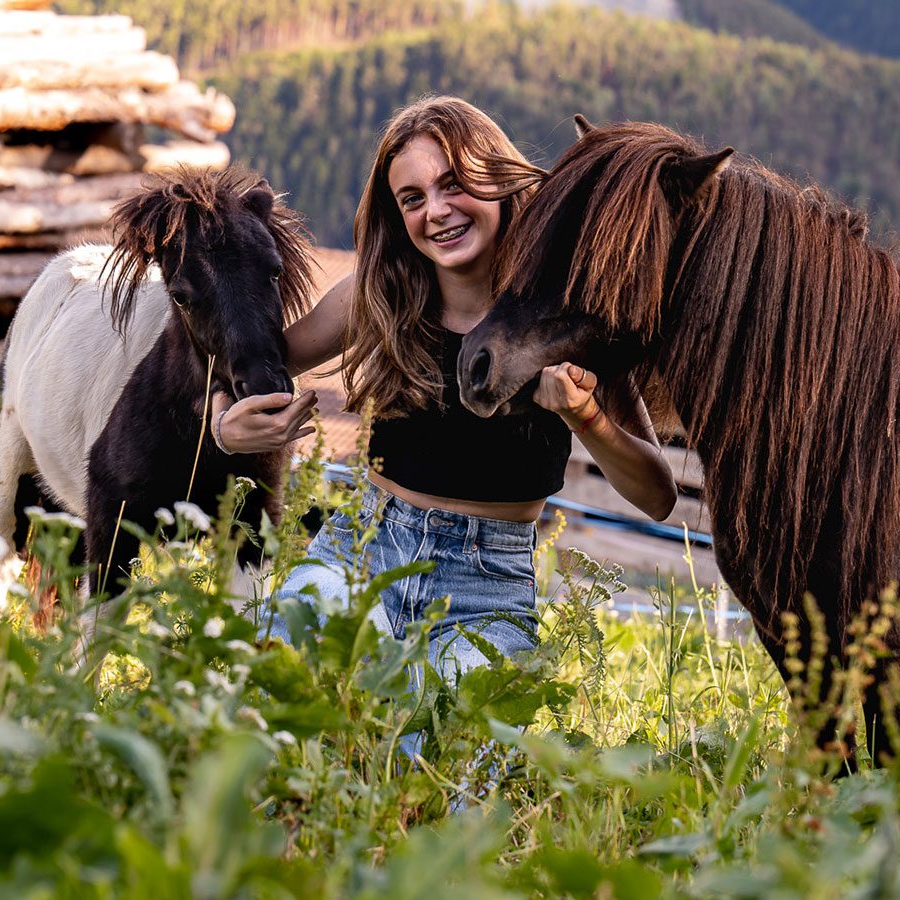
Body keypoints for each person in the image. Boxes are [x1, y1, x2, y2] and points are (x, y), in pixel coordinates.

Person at [213, 96, 677, 733]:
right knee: (269, 726)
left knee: (455, 781)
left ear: (497, 177)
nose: (436, 211)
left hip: (487, 584)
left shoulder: (570, 311)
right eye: (412, 198)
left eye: (454, 183)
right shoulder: (379, 294)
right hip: (364, 550)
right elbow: (240, 365)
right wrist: (222, 419)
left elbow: (656, 495)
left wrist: (586, 416)